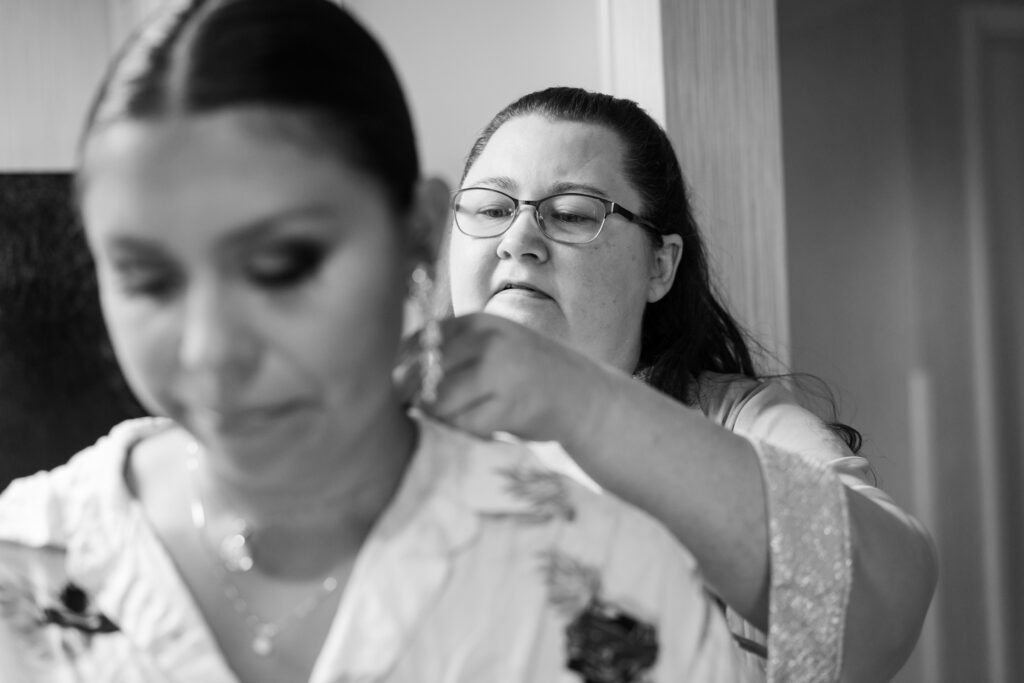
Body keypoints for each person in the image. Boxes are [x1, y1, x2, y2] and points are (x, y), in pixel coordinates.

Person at [0, 2, 756, 682]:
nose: (210, 349)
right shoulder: (23, 567)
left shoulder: (620, 587)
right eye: (147, 279)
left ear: (416, 234)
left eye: (283, 265)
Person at [410, 87, 938, 682]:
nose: (517, 241)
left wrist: (575, 396)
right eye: (490, 209)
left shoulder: (737, 423)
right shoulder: (391, 438)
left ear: (659, 265)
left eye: (573, 214)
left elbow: (884, 607)